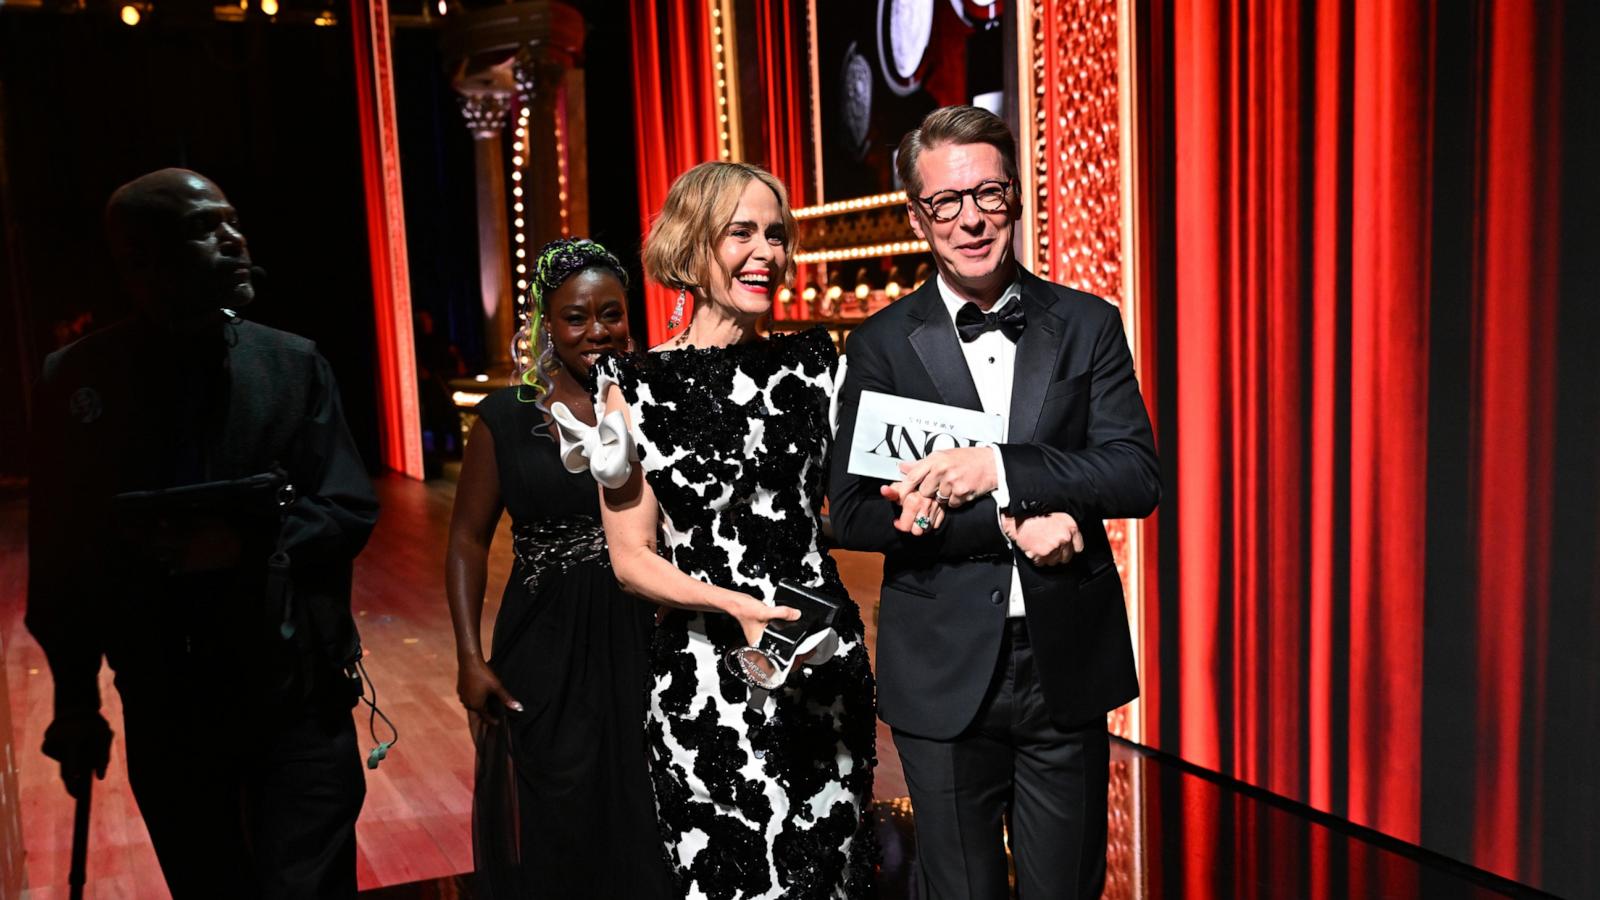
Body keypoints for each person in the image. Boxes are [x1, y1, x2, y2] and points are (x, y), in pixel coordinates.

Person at [829, 106, 1161, 898]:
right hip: (940, 667)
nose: (970, 218)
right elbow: (856, 511)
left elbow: (1134, 474)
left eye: (988, 194)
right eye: (946, 201)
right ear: (918, 215)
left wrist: (998, 467)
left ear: (1016, 197)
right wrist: (1016, 519)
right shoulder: (880, 343)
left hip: (1065, 663)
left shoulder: (1087, 324)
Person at [26, 168, 378, 898]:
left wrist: (251, 543)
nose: (234, 241)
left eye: (233, 221)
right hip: (169, 705)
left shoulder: (292, 364)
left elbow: (347, 507)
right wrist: (75, 700)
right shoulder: (79, 383)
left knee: (307, 886)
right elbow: (64, 563)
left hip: (297, 699)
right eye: (203, 228)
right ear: (138, 261)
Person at [593, 161, 876, 900]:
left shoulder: (819, 364)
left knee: (828, 878)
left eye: (776, 235)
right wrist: (736, 608)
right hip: (705, 681)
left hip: (819, 667)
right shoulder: (635, 385)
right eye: (741, 232)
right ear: (692, 246)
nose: (766, 253)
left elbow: (868, 487)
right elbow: (630, 559)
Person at [445, 237, 674, 898]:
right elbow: (465, 540)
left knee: (647, 817)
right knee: (560, 821)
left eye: (611, 313)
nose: (597, 331)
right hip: (545, 649)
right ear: (547, 324)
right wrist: (467, 655)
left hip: (645, 635)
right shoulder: (505, 421)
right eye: (576, 317)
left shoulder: (658, 402)